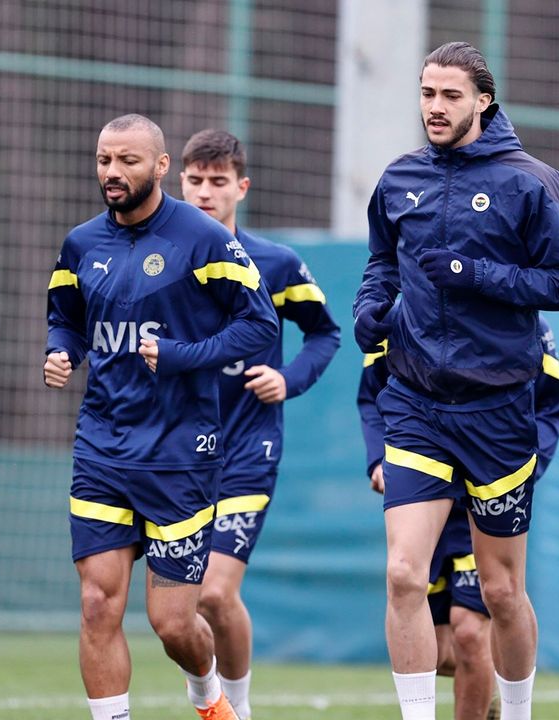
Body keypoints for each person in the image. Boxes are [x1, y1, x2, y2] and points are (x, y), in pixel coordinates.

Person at [352, 41, 559, 720]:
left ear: (483, 100)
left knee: (501, 591)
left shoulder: (531, 181)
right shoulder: (399, 179)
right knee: (403, 575)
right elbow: (382, 262)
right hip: (416, 404)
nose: (435, 107)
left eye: (450, 95)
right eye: (427, 93)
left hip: (499, 410)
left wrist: (473, 273)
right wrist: (371, 305)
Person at [44, 114, 278, 720]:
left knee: (173, 624)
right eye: (104, 160)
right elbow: (65, 317)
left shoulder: (203, 238)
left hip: (179, 454)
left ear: (161, 165)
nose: (113, 172)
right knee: (97, 604)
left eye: (128, 160)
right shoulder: (81, 244)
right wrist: (62, 351)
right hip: (101, 448)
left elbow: (260, 324)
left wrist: (181, 356)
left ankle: (209, 696)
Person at [179, 128, 341, 720]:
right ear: (179, 182)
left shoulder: (275, 264)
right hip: (175, 448)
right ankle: (210, 698)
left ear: (241, 188)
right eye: (195, 180)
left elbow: (324, 333)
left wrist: (288, 378)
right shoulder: (159, 259)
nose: (205, 192)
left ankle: (238, 710)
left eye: (218, 181)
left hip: (249, 446)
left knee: (215, 593)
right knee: (178, 608)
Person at [358, 317, 559, 720]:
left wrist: (525, 470)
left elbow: (551, 405)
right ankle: (488, 687)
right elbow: (372, 395)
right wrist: (377, 458)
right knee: (441, 648)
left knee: (472, 630)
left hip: (484, 490)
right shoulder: (404, 314)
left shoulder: (524, 322)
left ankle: (500, 699)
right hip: (423, 491)